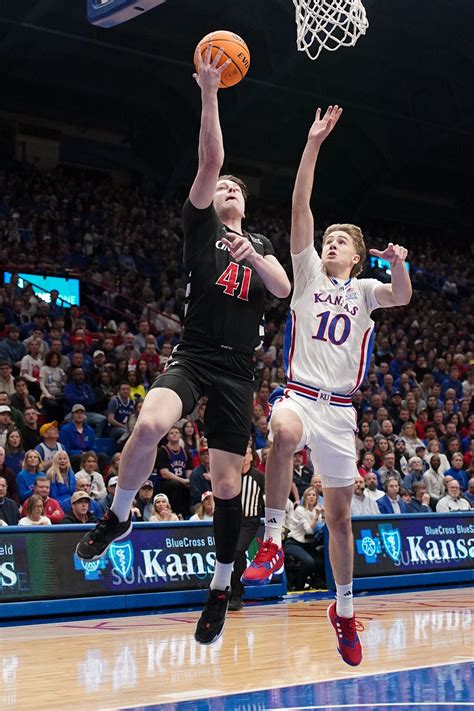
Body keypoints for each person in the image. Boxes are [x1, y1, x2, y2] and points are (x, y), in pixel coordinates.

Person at [75, 45, 290, 648]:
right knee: (148, 423)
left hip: (238, 371)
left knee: (226, 487)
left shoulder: (261, 243)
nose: (225, 189)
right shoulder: (200, 226)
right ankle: (118, 514)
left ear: (244, 204)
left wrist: (257, 254)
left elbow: (283, 287)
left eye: (233, 189)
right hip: (194, 355)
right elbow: (211, 157)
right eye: (219, 187)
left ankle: (220, 586)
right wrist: (209, 91)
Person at [241, 106, 411, 666]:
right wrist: (313, 144)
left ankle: (342, 609)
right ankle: (271, 540)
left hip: (341, 414)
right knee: (281, 431)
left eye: (341, 241)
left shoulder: (365, 290)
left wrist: (400, 265)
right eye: (329, 238)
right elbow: (299, 206)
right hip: (299, 393)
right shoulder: (308, 273)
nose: (331, 243)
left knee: (340, 519)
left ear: (358, 256)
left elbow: (402, 296)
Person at [230, 443, 265, 611]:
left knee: (238, 550)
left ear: (251, 457)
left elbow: (268, 498)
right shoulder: (232, 475)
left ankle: (237, 595)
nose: (243, 456)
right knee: (230, 555)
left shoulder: (259, 477)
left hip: (250, 521)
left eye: (246, 453)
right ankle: (227, 592)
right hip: (232, 520)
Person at [281, 487, 325, 591]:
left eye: (314, 495)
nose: (311, 497)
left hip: (307, 544)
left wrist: (323, 514)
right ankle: (298, 585)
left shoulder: (316, 510)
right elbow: (309, 531)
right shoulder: (300, 510)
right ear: (304, 497)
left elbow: (323, 525)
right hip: (293, 543)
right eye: (309, 495)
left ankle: (316, 582)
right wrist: (317, 515)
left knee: (320, 561)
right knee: (309, 562)